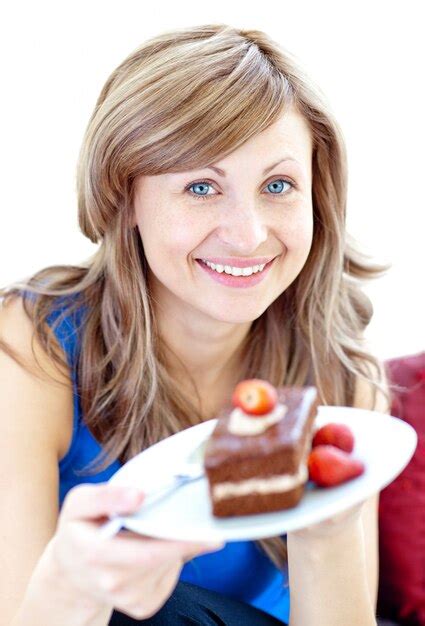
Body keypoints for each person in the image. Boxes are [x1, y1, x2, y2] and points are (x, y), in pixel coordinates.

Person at [0, 23, 391, 626]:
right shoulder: (32, 345)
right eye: (202, 186)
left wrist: (326, 529)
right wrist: (72, 586)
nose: (249, 234)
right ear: (123, 197)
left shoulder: (339, 375)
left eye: (279, 185)